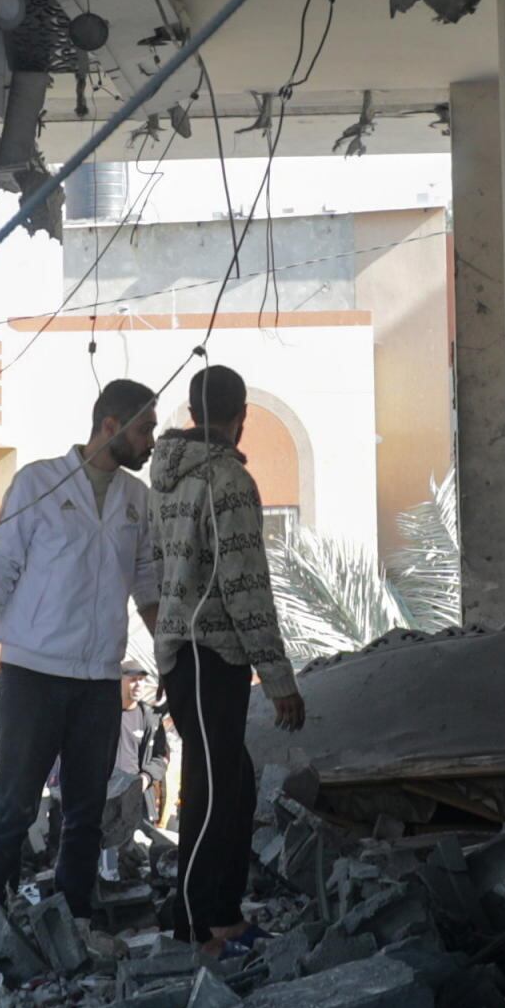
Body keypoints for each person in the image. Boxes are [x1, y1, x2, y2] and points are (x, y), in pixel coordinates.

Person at [0, 379, 160, 920]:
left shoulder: (138, 501)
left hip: (98, 678)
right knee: (15, 807)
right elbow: (0, 567)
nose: (152, 441)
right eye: (145, 429)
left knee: (86, 811)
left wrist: (173, 657)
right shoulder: (40, 483)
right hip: (33, 672)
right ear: (109, 427)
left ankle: (74, 918)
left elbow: (147, 584)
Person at [143, 362, 309, 952]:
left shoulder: (165, 480)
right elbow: (246, 587)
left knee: (231, 782)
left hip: (178, 651)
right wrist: (279, 677)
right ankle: (198, 923)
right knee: (214, 789)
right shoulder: (229, 484)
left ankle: (220, 912)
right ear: (240, 419)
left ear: (193, 416)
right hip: (213, 653)